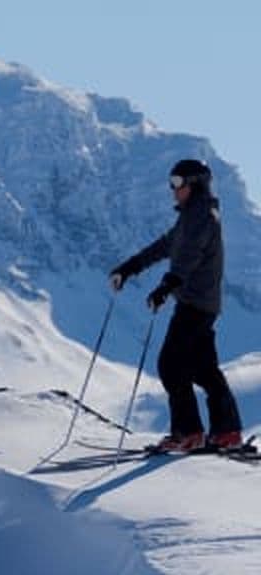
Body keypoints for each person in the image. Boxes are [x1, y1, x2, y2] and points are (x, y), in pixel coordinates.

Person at [109, 159, 243, 452]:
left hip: (195, 304)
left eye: (177, 183)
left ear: (193, 184)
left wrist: (166, 287)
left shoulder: (203, 217)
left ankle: (188, 432)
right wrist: (129, 267)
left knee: (171, 365)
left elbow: (189, 257)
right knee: (203, 369)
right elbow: (164, 246)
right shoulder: (190, 217)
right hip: (200, 303)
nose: (172, 189)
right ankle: (227, 431)